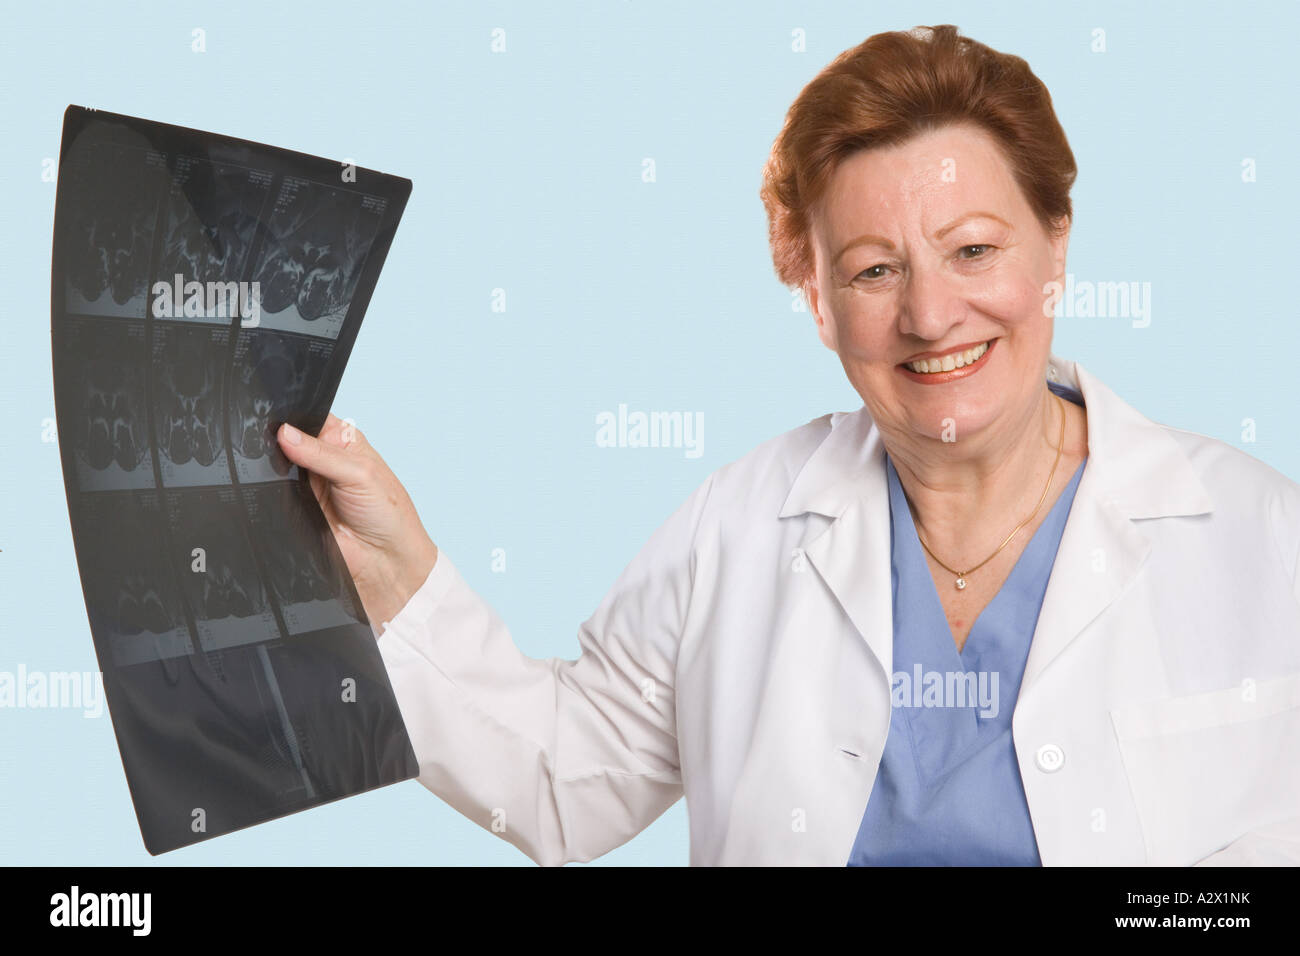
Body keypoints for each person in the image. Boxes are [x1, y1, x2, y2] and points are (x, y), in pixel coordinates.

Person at [276, 24, 1300, 865]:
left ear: (1056, 244)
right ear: (814, 298)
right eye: (871, 271)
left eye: (974, 249)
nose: (932, 314)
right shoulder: (742, 524)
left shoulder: (1263, 540)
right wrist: (399, 576)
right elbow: (559, 781)